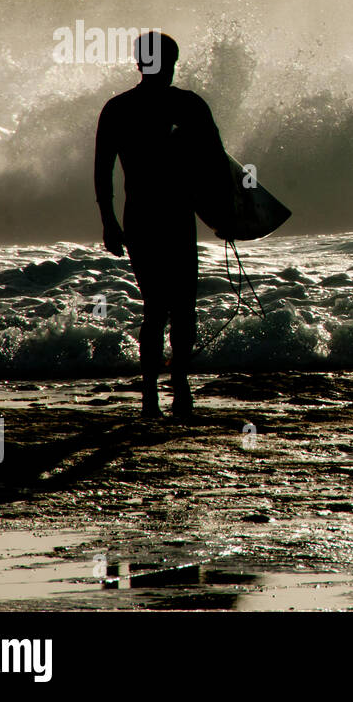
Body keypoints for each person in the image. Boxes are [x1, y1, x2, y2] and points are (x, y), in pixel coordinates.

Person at [94, 31, 229, 418]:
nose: (166, 70)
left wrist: (223, 217)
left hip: (161, 218)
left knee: (176, 306)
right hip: (158, 219)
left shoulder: (127, 108)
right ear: (143, 64)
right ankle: (159, 390)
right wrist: (108, 221)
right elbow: (102, 171)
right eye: (163, 63)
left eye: (169, 64)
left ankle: (172, 385)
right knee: (165, 306)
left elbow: (216, 164)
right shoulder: (168, 106)